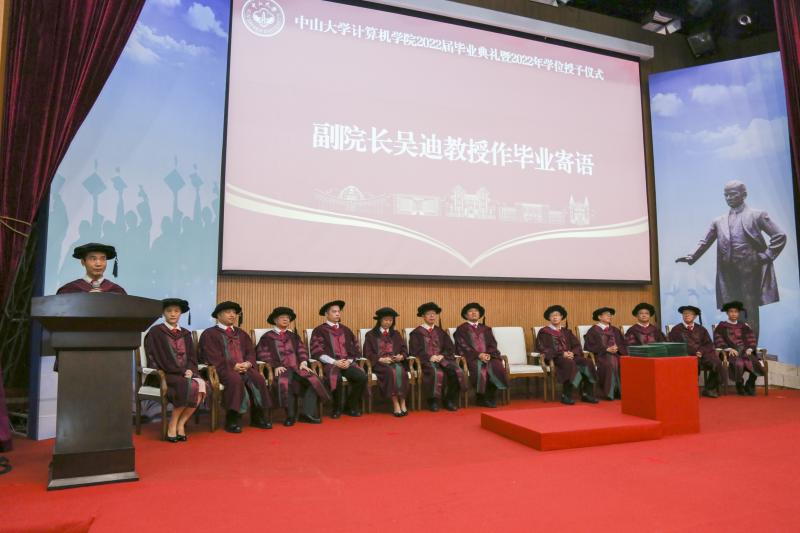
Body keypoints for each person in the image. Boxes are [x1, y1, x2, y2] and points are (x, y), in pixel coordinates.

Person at [676, 180, 786, 341]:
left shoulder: (757, 215)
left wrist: (765, 256)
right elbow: (705, 241)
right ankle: (737, 344)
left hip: (750, 270)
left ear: (744, 194)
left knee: (749, 308)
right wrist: (692, 256)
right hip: (727, 271)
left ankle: (751, 346)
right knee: (733, 309)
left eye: (732, 194)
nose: (728, 198)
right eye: (726, 195)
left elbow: (779, 235)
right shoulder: (719, 221)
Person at [198, 301, 272, 433]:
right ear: (218, 315)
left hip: (244, 367)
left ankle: (257, 417)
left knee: (258, 379)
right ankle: (232, 419)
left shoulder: (241, 333)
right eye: (228, 312)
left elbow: (250, 352)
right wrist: (233, 365)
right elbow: (211, 355)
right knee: (235, 380)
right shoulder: (209, 334)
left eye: (234, 312)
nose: (232, 315)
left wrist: (248, 363)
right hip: (222, 369)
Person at [143, 298, 208, 442]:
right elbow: (157, 357)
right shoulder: (156, 332)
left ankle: (181, 423)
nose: (173, 314)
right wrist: (181, 371)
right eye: (169, 311)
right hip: (165, 374)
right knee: (188, 385)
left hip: (185, 374)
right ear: (163, 313)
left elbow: (192, 357)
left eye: (176, 311)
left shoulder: (185, 333)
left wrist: (191, 370)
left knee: (202, 385)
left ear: (180, 313)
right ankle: (172, 424)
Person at [255, 307, 329, 426]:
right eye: (282, 317)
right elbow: (262, 354)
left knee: (315, 380)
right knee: (286, 383)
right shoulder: (267, 337)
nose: (286, 319)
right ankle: (290, 416)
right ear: (275, 320)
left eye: (288, 318)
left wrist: (303, 362)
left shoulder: (293, 336)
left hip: (296, 368)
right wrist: (275, 366)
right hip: (281, 369)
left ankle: (306, 413)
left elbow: (302, 350)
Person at [310, 300, 368, 418]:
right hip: (330, 364)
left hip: (346, 363)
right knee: (335, 378)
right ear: (326, 314)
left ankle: (350, 406)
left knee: (362, 377)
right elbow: (317, 351)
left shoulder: (346, 330)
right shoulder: (319, 330)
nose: (337, 314)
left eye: (338, 311)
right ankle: (336, 408)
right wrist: (334, 362)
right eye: (334, 311)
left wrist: (349, 361)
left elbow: (355, 349)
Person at [408, 302, 468, 412]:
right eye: (428, 314)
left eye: (434, 314)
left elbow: (450, 347)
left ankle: (449, 400)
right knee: (435, 372)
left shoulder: (440, 332)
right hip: (426, 361)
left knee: (457, 371)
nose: (432, 316)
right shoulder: (416, 333)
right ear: (423, 316)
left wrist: (442, 355)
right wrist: (429, 357)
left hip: (442, 359)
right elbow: (414, 350)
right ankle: (433, 401)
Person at [536, 305, 598, 405]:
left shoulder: (566, 331)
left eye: (557, 315)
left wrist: (572, 352)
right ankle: (566, 395)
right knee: (569, 363)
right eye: (552, 315)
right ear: (549, 318)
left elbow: (577, 345)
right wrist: (561, 353)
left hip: (570, 356)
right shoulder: (544, 332)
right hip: (556, 358)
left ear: (561, 317)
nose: (555, 317)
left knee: (588, 362)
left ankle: (587, 394)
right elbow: (542, 348)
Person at [453, 303, 508, 408]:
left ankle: (491, 396)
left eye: (476, 311)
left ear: (480, 314)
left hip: (488, 357)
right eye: (470, 311)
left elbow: (492, 344)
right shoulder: (461, 329)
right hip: (471, 358)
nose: (474, 313)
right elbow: (462, 346)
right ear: (466, 315)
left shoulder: (486, 329)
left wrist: (489, 355)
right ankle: (481, 398)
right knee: (480, 369)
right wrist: (478, 355)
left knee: (497, 366)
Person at [667, 306, 722, 398]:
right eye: (685, 313)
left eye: (690, 314)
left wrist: (701, 351)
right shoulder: (676, 330)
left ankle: (709, 388)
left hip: (701, 355)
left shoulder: (701, 329)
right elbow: (673, 345)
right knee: (693, 363)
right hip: (686, 356)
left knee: (717, 363)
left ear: (695, 316)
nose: (687, 315)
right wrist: (688, 353)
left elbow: (708, 344)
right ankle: (690, 389)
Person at [363, 307, 410, 417]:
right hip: (380, 364)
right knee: (391, 372)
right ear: (380, 320)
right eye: (385, 320)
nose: (388, 322)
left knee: (402, 372)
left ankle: (403, 402)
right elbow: (367, 353)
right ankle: (395, 403)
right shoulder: (371, 335)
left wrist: (401, 356)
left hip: (396, 362)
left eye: (390, 320)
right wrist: (380, 359)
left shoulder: (396, 334)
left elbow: (404, 349)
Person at [714, 301, 763, 396]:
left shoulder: (744, 326)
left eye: (736, 312)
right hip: (731, 353)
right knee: (739, 364)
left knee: (755, 363)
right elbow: (718, 340)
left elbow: (751, 339)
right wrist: (728, 349)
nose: (733, 314)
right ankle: (739, 384)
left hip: (745, 352)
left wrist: (750, 348)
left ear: (738, 313)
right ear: (727, 313)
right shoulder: (721, 326)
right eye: (731, 311)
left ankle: (750, 384)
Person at [583, 307, 626, 401]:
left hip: (617, 355)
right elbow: (589, 346)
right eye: (607, 315)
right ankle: (610, 392)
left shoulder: (615, 330)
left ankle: (621, 392)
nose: (609, 316)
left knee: (623, 363)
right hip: (601, 356)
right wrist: (606, 349)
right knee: (608, 365)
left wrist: (617, 348)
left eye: (610, 315)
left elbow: (623, 344)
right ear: (599, 317)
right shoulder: (593, 330)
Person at [56, 242, 125, 294]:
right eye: (93, 259)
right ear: (83, 262)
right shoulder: (69, 290)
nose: (98, 264)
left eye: (103, 259)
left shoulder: (117, 291)